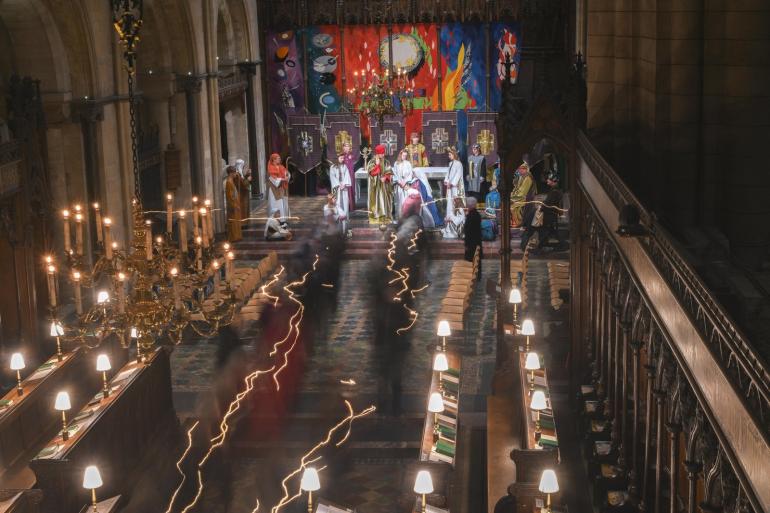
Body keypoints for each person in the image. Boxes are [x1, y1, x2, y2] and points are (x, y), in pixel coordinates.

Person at [520, 170, 563, 250]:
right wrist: (541, 206)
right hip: (548, 212)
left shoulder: (555, 192)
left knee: (532, 215)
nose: (547, 180)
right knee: (533, 212)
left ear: (554, 181)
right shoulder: (555, 190)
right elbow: (547, 203)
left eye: (549, 179)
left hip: (549, 214)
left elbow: (548, 204)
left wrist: (541, 207)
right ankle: (527, 229)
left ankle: (526, 232)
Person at [366, 144, 393, 225]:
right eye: (381, 153)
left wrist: (386, 177)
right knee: (376, 201)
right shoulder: (372, 161)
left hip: (384, 186)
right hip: (375, 187)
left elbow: (389, 172)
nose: (383, 155)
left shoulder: (386, 162)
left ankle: (385, 217)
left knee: (385, 201)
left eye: (383, 153)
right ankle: (376, 217)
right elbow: (371, 172)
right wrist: (377, 165)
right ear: (377, 153)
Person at [329, 153, 352, 236]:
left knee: (345, 205)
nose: (342, 159)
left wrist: (344, 184)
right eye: (341, 158)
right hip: (337, 189)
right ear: (337, 158)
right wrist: (339, 185)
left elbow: (347, 176)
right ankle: (337, 228)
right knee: (337, 205)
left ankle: (345, 228)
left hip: (344, 189)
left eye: (343, 158)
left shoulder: (344, 166)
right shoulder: (332, 167)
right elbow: (332, 178)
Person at [267, 153, 291, 226]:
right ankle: (277, 220)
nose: (280, 159)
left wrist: (287, 176)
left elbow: (287, 173)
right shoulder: (271, 168)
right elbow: (274, 180)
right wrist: (283, 179)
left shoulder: (281, 167)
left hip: (282, 189)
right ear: (273, 160)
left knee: (283, 203)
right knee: (277, 204)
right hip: (274, 190)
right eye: (278, 158)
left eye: (280, 158)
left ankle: (284, 219)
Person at [393, 149, 417, 220]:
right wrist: (399, 181)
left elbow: (410, 174)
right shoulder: (396, 163)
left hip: (406, 185)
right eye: (403, 155)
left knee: (405, 201)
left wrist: (405, 182)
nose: (404, 157)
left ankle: (406, 217)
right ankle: (399, 217)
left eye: (406, 156)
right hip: (399, 185)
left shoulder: (408, 163)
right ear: (400, 155)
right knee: (398, 201)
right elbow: (394, 174)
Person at [511, 161, 536, 227]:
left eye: (522, 168)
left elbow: (523, 192)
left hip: (527, 198)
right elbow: (517, 188)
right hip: (521, 196)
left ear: (526, 169)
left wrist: (513, 198)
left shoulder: (528, 177)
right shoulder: (521, 176)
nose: (520, 170)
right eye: (519, 168)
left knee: (513, 206)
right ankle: (513, 222)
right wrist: (512, 194)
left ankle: (519, 222)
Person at [444, 146, 465, 220]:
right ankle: (450, 215)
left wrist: (452, 183)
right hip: (450, 186)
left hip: (456, 187)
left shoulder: (459, 164)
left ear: (454, 155)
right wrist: (446, 181)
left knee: (456, 200)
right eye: (448, 155)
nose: (449, 156)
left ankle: (458, 217)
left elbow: (458, 174)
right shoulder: (450, 163)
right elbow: (448, 173)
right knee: (450, 201)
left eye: (450, 155)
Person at [464, 196, 482, 274]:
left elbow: (468, 231)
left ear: (469, 205)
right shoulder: (476, 214)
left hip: (472, 243)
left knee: (471, 261)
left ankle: (472, 276)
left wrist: (466, 244)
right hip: (476, 241)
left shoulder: (471, 216)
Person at [224, 166, 242, 242]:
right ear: (231, 173)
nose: (235, 174)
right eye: (234, 173)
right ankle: (233, 237)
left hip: (236, 204)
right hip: (233, 206)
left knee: (236, 221)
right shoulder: (228, 182)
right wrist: (234, 205)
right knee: (233, 222)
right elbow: (230, 196)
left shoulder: (231, 181)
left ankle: (237, 236)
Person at [235, 159, 252, 226]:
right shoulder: (237, 175)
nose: (243, 167)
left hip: (244, 195)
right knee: (242, 209)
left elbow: (242, 180)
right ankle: (242, 224)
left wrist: (247, 175)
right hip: (241, 195)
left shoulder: (239, 173)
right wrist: (248, 179)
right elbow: (242, 185)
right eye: (243, 165)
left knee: (245, 209)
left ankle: (245, 222)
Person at [341, 141, 357, 209]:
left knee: (351, 189)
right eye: (345, 146)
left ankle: (351, 206)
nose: (347, 147)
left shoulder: (352, 156)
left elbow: (352, 167)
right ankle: (344, 205)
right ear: (343, 147)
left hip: (350, 175)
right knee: (345, 189)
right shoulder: (341, 156)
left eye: (348, 146)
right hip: (343, 175)